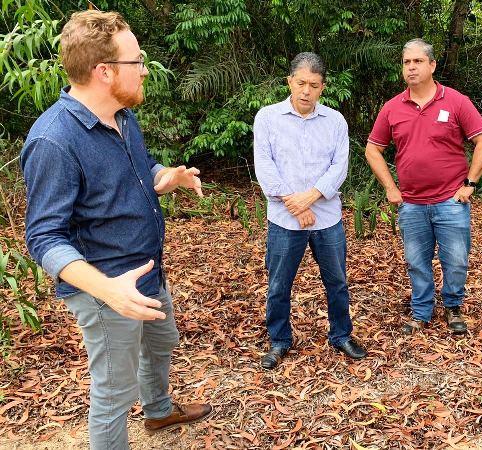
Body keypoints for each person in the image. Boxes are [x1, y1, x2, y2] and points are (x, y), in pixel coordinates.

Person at [21, 10, 212, 450]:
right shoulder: (54, 140)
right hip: (107, 290)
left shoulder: (122, 116)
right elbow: (44, 238)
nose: (144, 69)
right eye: (137, 60)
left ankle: (159, 410)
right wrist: (108, 290)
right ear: (104, 72)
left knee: (163, 340)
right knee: (113, 395)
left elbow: (140, 171)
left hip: (147, 274)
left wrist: (167, 175)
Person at [365, 38, 482, 335]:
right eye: (406, 62)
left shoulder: (455, 101)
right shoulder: (392, 108)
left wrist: (470, 183)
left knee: (456, 259)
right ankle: (421, 311)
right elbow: (373, 149)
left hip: (451, 200)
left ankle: (453, 307)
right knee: (416, 261)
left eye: (418, 61)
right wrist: (390, 187)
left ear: (432, 65)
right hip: (411, 202)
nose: (411, 67)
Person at [254, 52, 367, 370]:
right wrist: (295, 204)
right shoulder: (267, 118)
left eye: (313, 85)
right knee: (278, 284)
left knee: (337, 281)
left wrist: (311, 198)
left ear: (322, 87)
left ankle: (341, 334)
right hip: (284, 219)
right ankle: (279, 339)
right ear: (289, 81)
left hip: (326, 219)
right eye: (300, 83)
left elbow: (338, 167)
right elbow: (265, 165)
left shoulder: (335, 121)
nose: (306, 90)